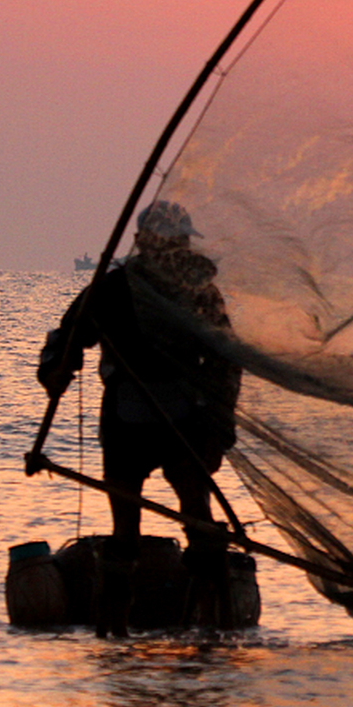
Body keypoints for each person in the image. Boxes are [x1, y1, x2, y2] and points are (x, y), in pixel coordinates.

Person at [37, 201, 242, 636]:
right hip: (127, 420)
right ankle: (115, 631)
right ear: (149, 243)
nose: (181, 249)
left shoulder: (198, 292)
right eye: (174, 242)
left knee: (199, 519)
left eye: (183, 242)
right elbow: (69, 336)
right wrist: (56, 370)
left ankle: (209, 625)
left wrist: (218, 433)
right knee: (125, 530)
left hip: (186, 420)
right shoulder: (113, 290)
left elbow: (226, 362)